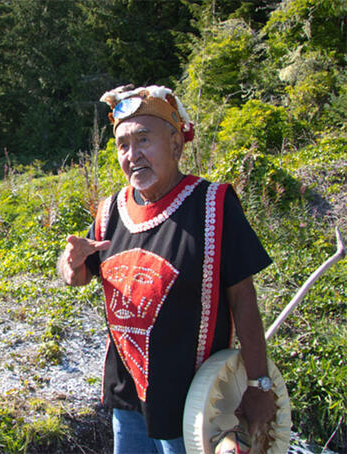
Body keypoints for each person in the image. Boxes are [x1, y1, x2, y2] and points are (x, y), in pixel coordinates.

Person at [57, 84, 276, 453]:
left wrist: (259, 386)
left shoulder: (213, 206)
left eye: (144, 139)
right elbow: (78, 276)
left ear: (176, 143)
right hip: (127, 398)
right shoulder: (111, 211)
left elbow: (244, 301)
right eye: (123, 145)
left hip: (193, 404)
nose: (132, 155)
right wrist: (71, 263)